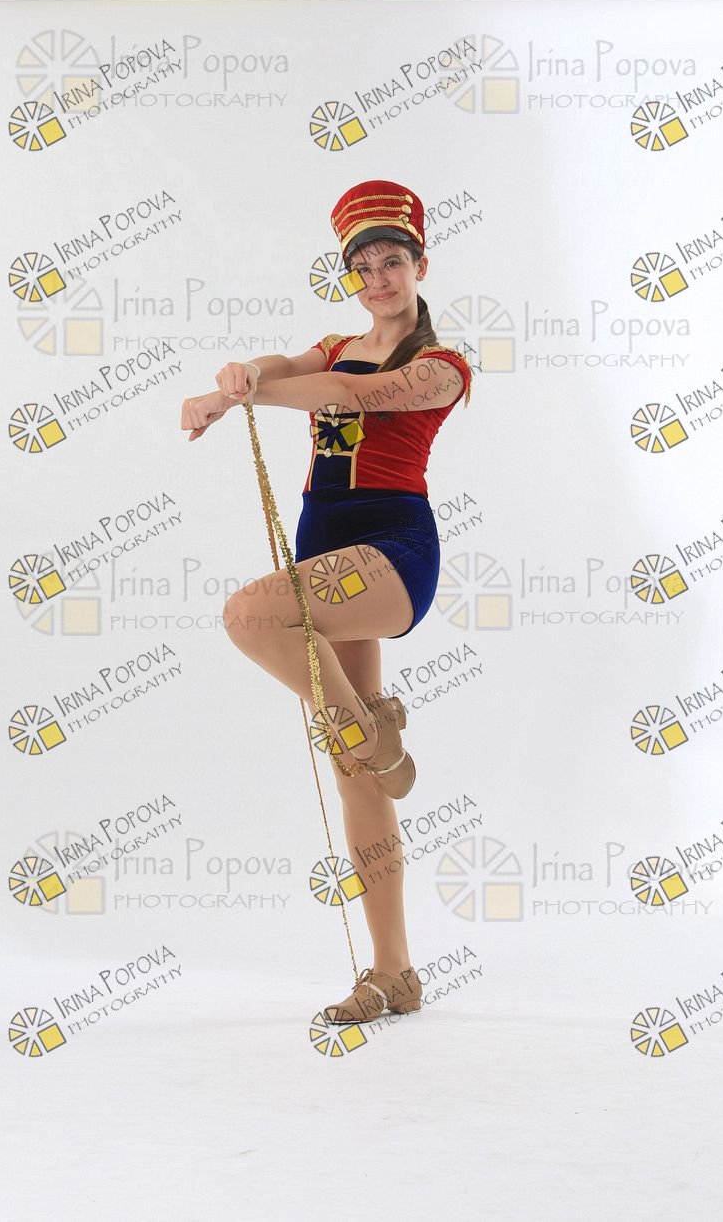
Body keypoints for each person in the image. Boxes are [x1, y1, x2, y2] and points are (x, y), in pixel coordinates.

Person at [180, 179, 472, 1024]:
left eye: (392, 263)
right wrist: (245, 373)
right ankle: (394, 974)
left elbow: (351, 397)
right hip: (324, 548)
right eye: (362, 267)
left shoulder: (440, 368)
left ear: (420, 266)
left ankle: (367, 731)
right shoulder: (338, 343)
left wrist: (237, 397)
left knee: (250, 614)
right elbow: (291, 367)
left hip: (391, 552)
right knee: (357, 784)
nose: (377, 279)